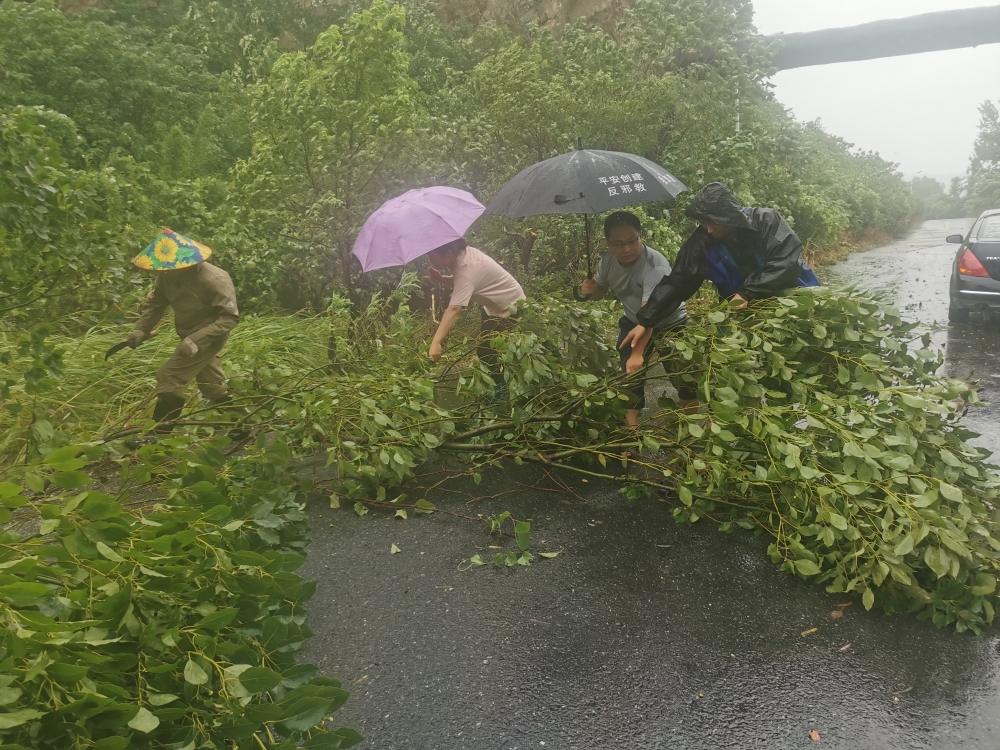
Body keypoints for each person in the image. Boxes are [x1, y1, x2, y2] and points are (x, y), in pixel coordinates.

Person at [620, 182, 819, 360]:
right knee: (749, 365)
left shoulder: (765, 220)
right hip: (740, 314)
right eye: (704, 223)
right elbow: (678, 282)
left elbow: (787, 262)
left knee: (807, 353)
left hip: (791, 299)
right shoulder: (701, 243)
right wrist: (645, 321)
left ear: (729, 216)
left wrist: (747, 293)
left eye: (713, 222)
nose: (709, 229)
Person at [581, 211, 698, 430]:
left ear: (641, 236)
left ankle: (692, 428)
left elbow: (650, 315)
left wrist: (637, 354)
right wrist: (592, 290)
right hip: (633, 320)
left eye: (632, 241)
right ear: (608, 243)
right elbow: (600, 293)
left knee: (685, 378)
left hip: (670, 321)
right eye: (618, 243)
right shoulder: (607, 261)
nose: (626, 249)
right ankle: (631, 434)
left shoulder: (655, 265)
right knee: (630, 378)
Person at [127, 228, 240, 430]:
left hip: (210, 335)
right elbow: (157, 301)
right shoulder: (167, 275)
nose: (166, 272)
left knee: (169, 378)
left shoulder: (215, 279)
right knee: (212, 386)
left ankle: (157, 437)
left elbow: (229, 318)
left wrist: (196, 340)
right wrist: (140, 329)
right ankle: (241, 429)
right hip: (187, 332)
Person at [425, 239, 525, 380]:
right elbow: (464, 280)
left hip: (511, 307)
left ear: (448, 254)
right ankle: (498, 387)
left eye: (431, 256)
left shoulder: (466, 270)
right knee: (487, 352)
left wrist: (436, 342)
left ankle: (501, 394)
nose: (430, 260)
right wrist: (441, 279)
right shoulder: (464, 255)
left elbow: (454, 309)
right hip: (493, 307)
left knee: (489, 354)